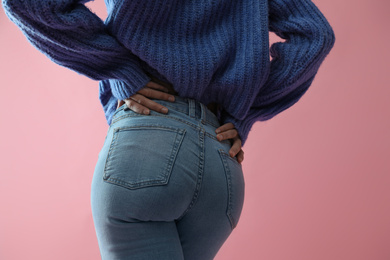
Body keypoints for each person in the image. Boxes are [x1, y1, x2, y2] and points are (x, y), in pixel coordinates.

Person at [2, 0, 335, 259]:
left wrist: (121, 70)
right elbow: (315, 35)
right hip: (221, 168)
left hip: (149, 143)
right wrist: (243, 114)